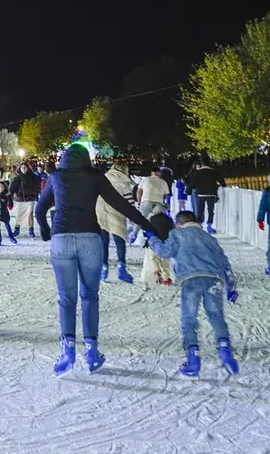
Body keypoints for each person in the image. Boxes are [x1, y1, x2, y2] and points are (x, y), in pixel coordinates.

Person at [34, 144, 161, 377]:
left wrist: (45, 230)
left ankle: (68, 351)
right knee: (90, 295)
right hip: (90, 239)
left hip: (61, 239)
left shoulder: (56, 177)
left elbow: (40, 209)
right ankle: (92, 352)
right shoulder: (95, 177)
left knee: (66, 298)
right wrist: (149, 227)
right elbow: (120, 204)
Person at [148, 211, 239, 377]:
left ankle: (193, 360)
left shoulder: (177, 234)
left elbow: (163, 251)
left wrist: (152, 238)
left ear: (178, 224)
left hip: (191, 280)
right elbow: (225, 263)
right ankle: (226, 353)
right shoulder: (210, 238)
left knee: (189, 319)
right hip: (214, 280)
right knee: (216, 317)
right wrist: (231, 286)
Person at [95, 162, 136, 283]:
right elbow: (129, 200)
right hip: (116, 210)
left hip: (100, 210)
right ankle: (121, 269)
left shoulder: (103, 177)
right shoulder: (124, 181)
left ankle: (103, 269)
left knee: (103, 242)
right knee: (119, 240)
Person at [187, 155, 226, 234]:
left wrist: (188, 190)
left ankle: (199, 225)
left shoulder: (198, 172)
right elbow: (221, 181)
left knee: (200, 211)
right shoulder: (214, 172)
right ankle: (209, 225)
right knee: (210, 210)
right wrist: (223, 185)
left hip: (200, 193)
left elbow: (193, 183)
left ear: (202, 163)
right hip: (212, 193)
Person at [140, 210, 175, 286]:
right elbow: (173, 231)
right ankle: (166, 279)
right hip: (165, 244)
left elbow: (145, 230)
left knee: (153, 258)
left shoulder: (151, 219)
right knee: (165, 261)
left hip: (152, 243)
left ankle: (157, 271)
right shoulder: (169, 220)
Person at [9, 162, 40, 238]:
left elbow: (37, 186)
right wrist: (10, 196)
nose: (24, 169)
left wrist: (37, 194)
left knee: (30, 214)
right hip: (20, 199)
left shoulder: (33, 177)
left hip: (30, 198)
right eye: (22, 168)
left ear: (28, 168)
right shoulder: (17, 178)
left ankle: (31, 230)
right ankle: (17, 229)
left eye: (25, 168)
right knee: (20, 214)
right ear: (20, 168)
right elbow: (12, 188)